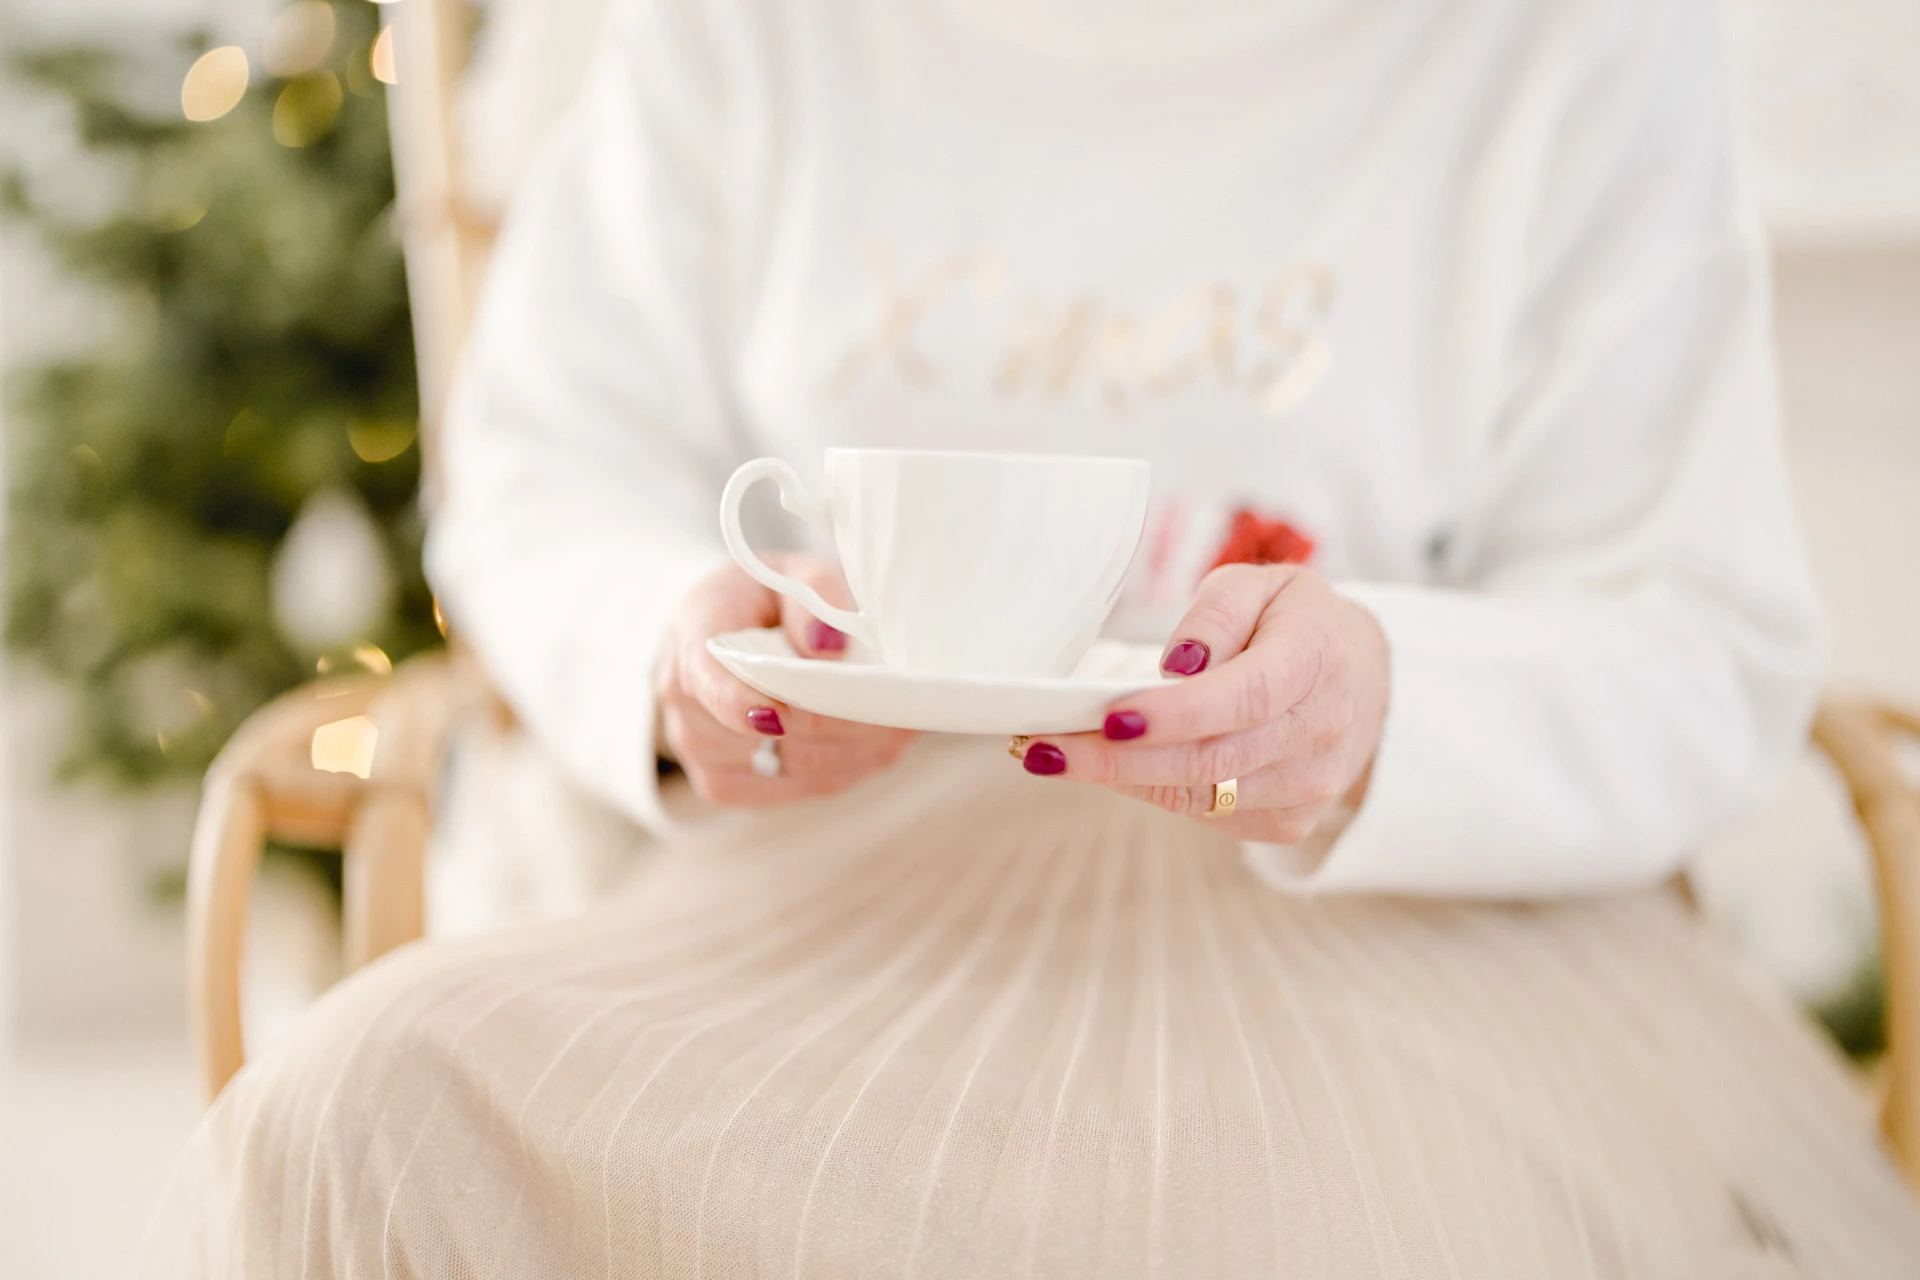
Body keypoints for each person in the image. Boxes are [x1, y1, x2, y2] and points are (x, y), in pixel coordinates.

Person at [137, 0, 1920, 1274]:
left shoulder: (1566, 40)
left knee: (1274, 1216)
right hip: (809, 906)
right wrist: (676, 654)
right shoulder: (747, 30)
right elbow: (543, 471)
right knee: (362, 1111)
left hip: (1399, 924)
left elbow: (1703, 636)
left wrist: (1383, 709)